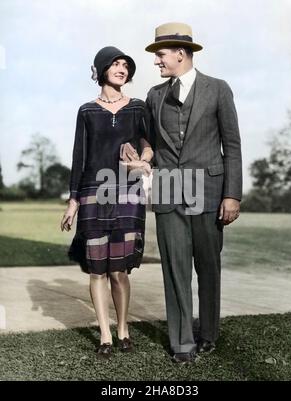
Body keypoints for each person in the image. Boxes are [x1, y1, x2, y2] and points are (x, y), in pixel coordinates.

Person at [144, 23, 242, 363]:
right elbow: (149, 142)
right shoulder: (155, 96)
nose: (157, 62)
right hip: (168, 192)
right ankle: (182, 343)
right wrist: (141, 156)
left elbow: (231, 144)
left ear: (181, 54)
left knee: (208, 267)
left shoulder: (218, 89)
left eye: (160, 55)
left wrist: (232, 195)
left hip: (211, 192)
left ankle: (209, 334)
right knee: (175, 269)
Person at [61, 46, 153, 359]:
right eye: (115, 64)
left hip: (128, 193)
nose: (122, 68)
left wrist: (142, 160)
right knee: (97, 270)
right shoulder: (86, 111)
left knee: (119, 271)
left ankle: (123, 328)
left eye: (126, 65)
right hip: (91, 193)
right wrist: (73, 201)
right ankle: (104, 334)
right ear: (102, 69)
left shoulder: (138, 108)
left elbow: (149, 144)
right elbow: (79, 157)